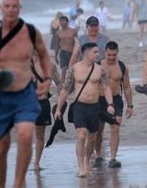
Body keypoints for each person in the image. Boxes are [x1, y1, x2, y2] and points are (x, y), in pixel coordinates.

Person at [0, 0, 51, 187]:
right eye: (7, 6)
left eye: (14, 6)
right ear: (0, 8)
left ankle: (18, 183)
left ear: (20, 8)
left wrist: (47, 78)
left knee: (25, 134)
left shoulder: (31, 32)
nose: (10, 10)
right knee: (1, 146)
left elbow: (44, 54)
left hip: (24, 92)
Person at [54, 42, 115, 177]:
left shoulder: (100, 70)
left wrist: (110, 104)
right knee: (81, 135)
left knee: (92, 138)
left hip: (94, 107)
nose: (98, 54)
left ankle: (87, 161)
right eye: (95, 52)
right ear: (86, 53)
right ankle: (81, 167)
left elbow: (106, 88)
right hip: (80, 107)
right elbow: (65, 90)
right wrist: (58, 109)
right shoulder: (74, 69)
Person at [95, 41, 133, 168]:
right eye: (109, 55)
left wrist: (130, 105)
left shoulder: (122, 66)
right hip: (99, 100)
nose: (111, 57)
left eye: (114, 55)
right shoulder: (97, 66)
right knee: (98, 130)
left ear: (117, 53)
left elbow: (127, 87)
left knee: (115, 128)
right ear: (104, 52)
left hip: (116, 99)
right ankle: (99, 155)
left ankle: (113, 158)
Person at [31, 52, 62, 171]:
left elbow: (59, 83)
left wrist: (60, 99)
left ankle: (36, 164)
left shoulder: (50, 65)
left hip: (42, 103)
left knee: (39, 134)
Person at [56, 15, 78, 83]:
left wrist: (78, 52)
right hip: (63, 52)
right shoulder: (58, 32)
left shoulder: (73, 31)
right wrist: (55, 56)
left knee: (73, 69)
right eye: (61, 21)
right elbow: (57, 45)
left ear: (67, 22)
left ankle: (75, 83)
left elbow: (78, 42)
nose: (62, 22)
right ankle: (62, 84)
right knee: (63, 69)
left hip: (72, 52)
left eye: (64, 21)